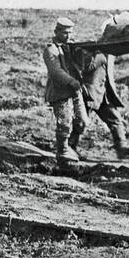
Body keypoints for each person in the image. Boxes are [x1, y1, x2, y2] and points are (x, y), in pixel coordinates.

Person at [43, 17, 87, 169]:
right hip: (60, 92)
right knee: (64, 122)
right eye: (65, 33)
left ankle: (70, 147)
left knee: (82, 122)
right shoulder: (51, 49)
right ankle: (62, 151)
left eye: (70, 33)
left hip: (74, 91)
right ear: (56, 32)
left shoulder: (70, 47)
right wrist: (71, 81)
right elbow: (56, 72)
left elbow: (80, 65)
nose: (68, 36)